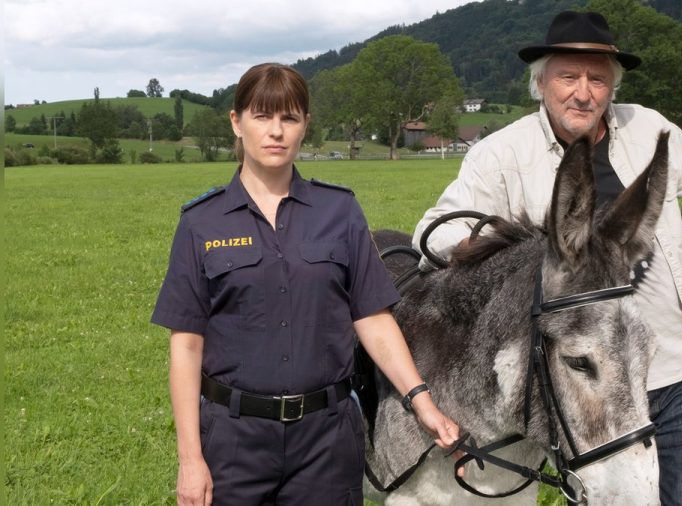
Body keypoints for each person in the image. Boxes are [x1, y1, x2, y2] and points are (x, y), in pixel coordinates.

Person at [413, 11, 682, 506]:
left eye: (597, 79)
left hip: (673, 365)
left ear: (612, 88)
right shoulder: (501, 154)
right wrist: (516, 258)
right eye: (568, 76)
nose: (583, 92)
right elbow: (436, 232)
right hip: (582, 379)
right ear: (540, 83)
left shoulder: (649, 129)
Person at [152, 63, 459, 506]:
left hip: (326, 443)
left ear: (305, 127)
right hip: (233, 442)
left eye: (289, 118)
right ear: (237, 123)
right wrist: (190, 460)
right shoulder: (201, 222)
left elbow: (372, 317)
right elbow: (186, 347)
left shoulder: (340, 211)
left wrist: (422, 402)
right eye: (262, 116)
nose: (276, 131)